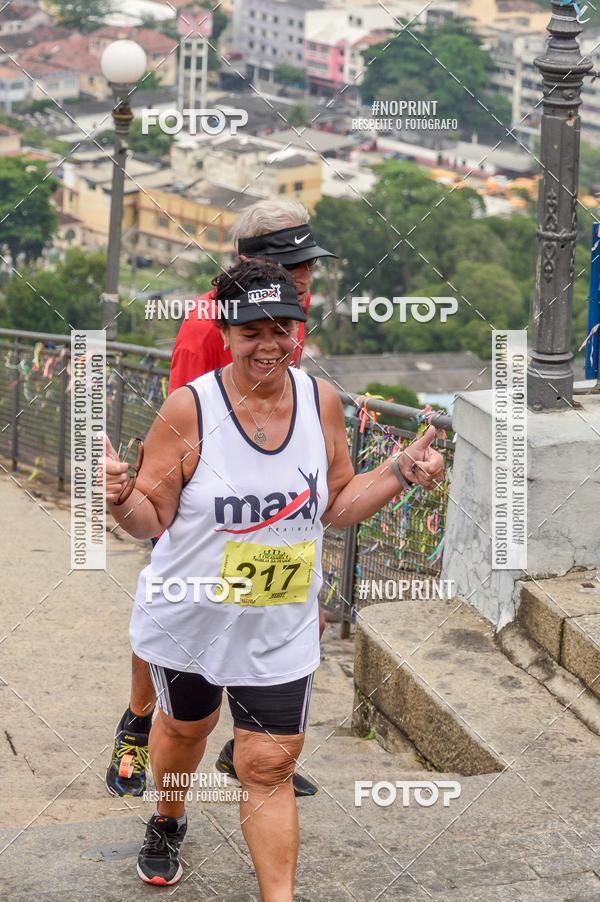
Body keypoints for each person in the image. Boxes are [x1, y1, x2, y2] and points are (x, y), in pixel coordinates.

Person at [103, 257, 445, 893]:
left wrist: (398, 473)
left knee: (266, 765)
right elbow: (152, 519)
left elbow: (337, 503)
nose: (269, 344)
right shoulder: (191, 410)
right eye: (252, 331)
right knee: (183, 729)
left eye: (281, 327)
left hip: (278, 624)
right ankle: (168, 816)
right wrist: (120, 496)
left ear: (299, 329)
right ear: (226, 335)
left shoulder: (322, 403)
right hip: (193, 617)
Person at [105, 199, 336, 801]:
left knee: (289, 609)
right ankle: (137, 727)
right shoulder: (204, 327)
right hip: (201, 496)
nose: (307, 275)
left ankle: (250, 749)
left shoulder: (291, 310)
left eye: (309, 261)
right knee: (175, 607)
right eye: (295, 263)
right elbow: (182, 420)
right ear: (251, 265)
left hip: (274, 506)